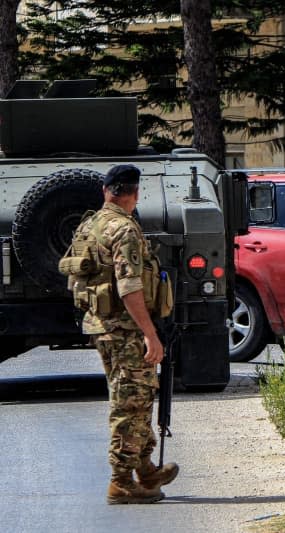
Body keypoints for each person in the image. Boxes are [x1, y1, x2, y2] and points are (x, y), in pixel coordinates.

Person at [70, 164, 179, 503]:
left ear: (107, 191)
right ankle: (120, 481)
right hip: (126, 330)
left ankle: (144, 467)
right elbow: (130, 287)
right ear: (135, 193)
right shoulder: (124, 230)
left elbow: (76, 278)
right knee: (129, 402)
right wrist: (150, 334)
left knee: (139, 396)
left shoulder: (90, 225)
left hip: (103, 326)